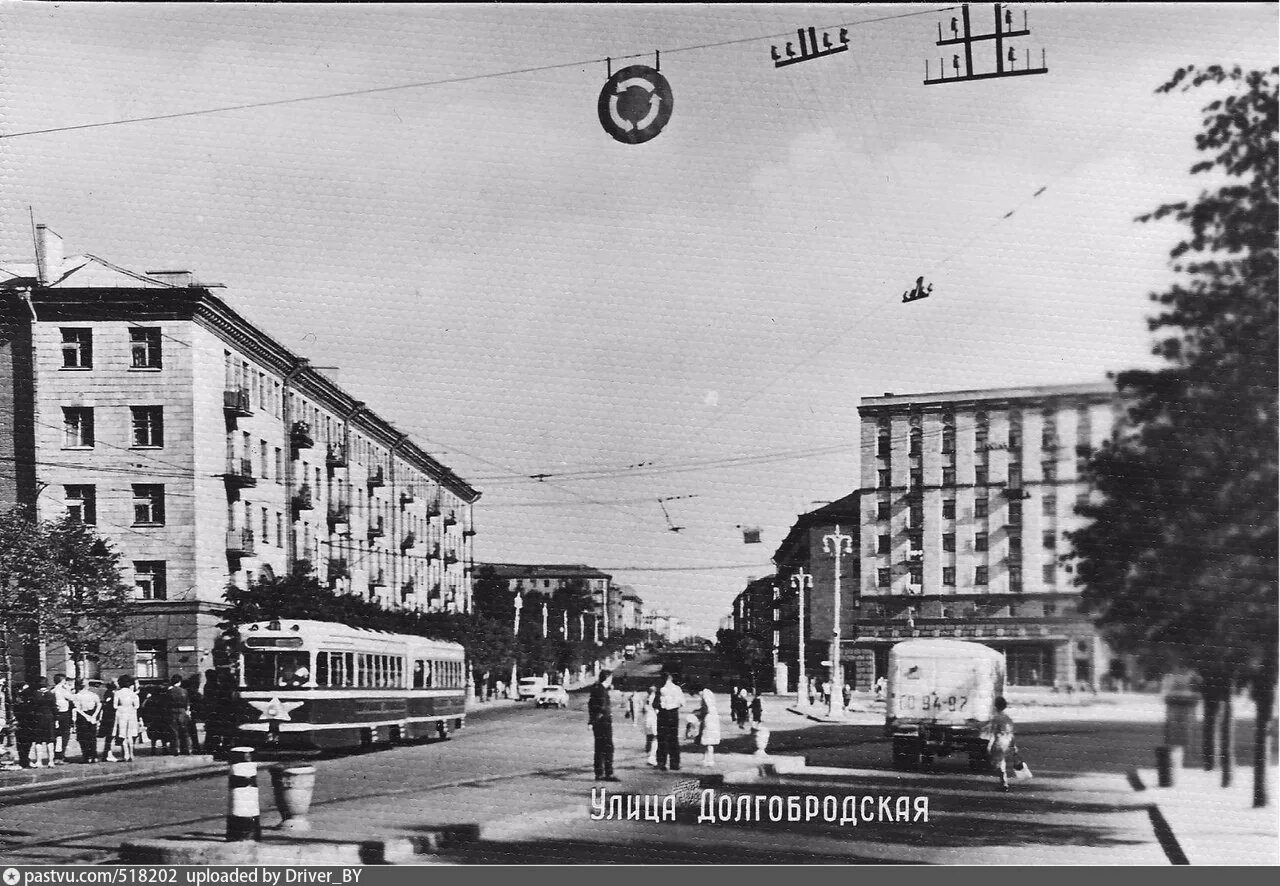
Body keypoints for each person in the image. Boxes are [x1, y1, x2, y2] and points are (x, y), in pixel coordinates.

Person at [587, 669, 618, 782]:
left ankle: (599, 773)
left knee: (599, 748)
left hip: (598, 722)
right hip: (603, 722)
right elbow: (602, 707)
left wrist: (591, 721)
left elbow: (591, 705)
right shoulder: (601, 691)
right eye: (610, 678)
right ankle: (608, 773)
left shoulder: (597, 689)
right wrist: (600, 717)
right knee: (608, 748)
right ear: (607, 678)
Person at [984, 696, 1016, 791]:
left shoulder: (996, 718)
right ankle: (1003, 782)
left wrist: (989, 746)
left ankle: (1004, 783)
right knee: (1001, 761)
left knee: (998, 763)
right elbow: (1011, 732)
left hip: (999, 742)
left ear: (995, 706)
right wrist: (1013, 745)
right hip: (1007, 741)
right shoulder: (1008, 718)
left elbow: (993, 733)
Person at [655, 671, 684, 771]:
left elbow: (655, 704)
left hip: (663, 714)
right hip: (674, 714)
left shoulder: (661, 689)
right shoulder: (677, 689)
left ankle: (662, 762)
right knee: (673, 739)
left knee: (662, 739)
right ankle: (675, 763)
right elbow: (682, 703)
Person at [72, 679, 102, 763]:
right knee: (92, 737)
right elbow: (99, 704)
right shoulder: (93, 695)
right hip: (91, 715)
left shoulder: (77, 696)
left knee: (83, 737)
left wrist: (88, 716)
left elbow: (77, 708)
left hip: (83, 716)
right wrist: (94, 716)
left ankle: (87, 756)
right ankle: (94, 756)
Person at [112, 675, 141, 762]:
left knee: (122, 735)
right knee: (130, 735)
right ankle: (131, 753)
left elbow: (114, 706)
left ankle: (125, 754)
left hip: (121, 714)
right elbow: (137, 706)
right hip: (131, 714)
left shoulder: (117, 693)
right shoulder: (133, 694)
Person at [164, 674, 193, 755]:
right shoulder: (184, 691)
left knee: (174, 732)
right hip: (182, 712)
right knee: (184, 731)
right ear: (180, 682)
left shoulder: (168, 692)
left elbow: (166, 704)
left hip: (172, 712)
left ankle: (175, 749)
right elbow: (187, 704)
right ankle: (187, 749)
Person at [695, 684, 721, 768]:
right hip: (712, 717)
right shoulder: (708, 693)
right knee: (707, 741)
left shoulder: (705, 694)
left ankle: (710, 760)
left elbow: (707, 708)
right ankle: (707, 759)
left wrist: (699, 714)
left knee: (708, 740)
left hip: (709, 718)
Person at [51, 673, 74, 763]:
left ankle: (56, 754)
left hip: (55, 714)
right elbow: (71, 698)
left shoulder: (52, 690)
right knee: (65, 735)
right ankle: (61, 755)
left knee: (56, 735)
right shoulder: (63, 690)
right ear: (62, 681)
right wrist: (69, 690)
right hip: (64, 714)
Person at [99, 678, 118, 762]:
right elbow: (107, 702)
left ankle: (107, 753)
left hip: (110, 716)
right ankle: (107, 753)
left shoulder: (113, 692)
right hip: (110, 716)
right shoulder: (110, 693)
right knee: (110, 735)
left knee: (111, 736)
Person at [183, 675, 203, 753]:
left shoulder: (187, 690)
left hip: (189, 712)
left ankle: (188, 747)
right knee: (192, 731)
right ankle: (195, 747)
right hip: (191, 713)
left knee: (188, 731)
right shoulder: (194, 692)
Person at [641, 685, 659, 766]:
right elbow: (657, 710)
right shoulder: (655, 698)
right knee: (655, 737)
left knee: (649, 737)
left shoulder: (645, 698)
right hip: (653, 718)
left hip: (646, 718)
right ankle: (652, 757)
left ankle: (649, 753)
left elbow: (643, 709)